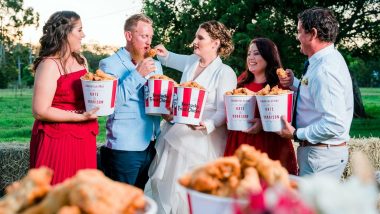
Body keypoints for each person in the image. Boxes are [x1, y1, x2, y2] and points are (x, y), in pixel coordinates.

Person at [146, 20, 237, 214]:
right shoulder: (191, 61)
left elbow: (224, 109)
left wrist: (207, 124)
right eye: (196, 36)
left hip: (204, 139)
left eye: (200, 37)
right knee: (168, 188)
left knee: (192, 194)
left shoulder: (225, 72)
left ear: (216, 43)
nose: (194, 41)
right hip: (176, 134)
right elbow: (170, 58)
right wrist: (163, 53)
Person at [277, 7, 353, 179]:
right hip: (320, 153)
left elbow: (335, 124)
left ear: (312, 33)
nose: (297, 37)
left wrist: (296, 133)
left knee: (313, 207)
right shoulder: (325, 59)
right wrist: (294, 83)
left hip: (321, 156)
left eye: (299, 32)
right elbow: (316, 93)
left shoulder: (324, 70)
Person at [30, 11, 99, 185]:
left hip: (84, 136)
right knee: (56, 192)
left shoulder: (81, 61)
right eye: (79, 30)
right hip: (58, 138)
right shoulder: (49, 65)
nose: (83, 35)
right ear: (65, 33)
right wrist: (79, 117)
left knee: (82, 194)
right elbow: (40, 111)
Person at [99, 14, 162, 189]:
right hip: (124, 148)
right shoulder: (108, 64)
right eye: (143, 36)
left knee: (139, 202)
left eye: (150, 37)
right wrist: (137, 75)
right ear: (129, 36)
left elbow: (158, 100)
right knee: (120, 204)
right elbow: (110, 104)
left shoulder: (156, 65)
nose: (148, 42)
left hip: (152, 144)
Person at [224, 38, 298, 175]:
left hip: (269, 145)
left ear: (268, 56)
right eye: (249, 54)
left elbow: (286, 119)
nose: (251, 58)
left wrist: (262, 123)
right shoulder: (242, 80)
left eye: (256, 53)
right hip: (241, 142)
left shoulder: (280, 85)